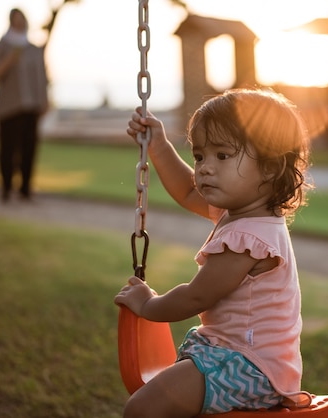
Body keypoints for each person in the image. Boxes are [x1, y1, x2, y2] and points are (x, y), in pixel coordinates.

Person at [114, 88, 313, 418]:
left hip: (248, 366)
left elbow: (196, 297)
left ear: (268, 167)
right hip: (237, 357)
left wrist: (148, 304)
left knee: (142, 410)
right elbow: (188, 189)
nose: (205, 168)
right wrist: (160, 146)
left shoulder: (247, 238)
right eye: (199, 156)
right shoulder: (244, 214)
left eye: (222, 156)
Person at [0, 8, 48, 201]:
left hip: (31, 106)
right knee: (7, 149)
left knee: (28, 148)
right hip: (9, 106)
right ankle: (6, 187)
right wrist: (9, 60)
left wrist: (43, 101)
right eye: (16, 20)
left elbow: (41, 77)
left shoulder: (33, 49)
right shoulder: (3, 46)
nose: (20, 23)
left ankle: (25, 188)